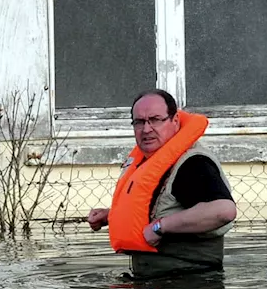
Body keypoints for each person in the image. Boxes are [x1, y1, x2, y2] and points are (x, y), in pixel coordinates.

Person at [87, 89, 238, 278]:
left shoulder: (192, 164)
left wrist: (160, 227)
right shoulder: (151, 160)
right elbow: (165, 206)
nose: (147, 129)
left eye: (155, 120)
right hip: (157, 283)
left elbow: (223, 210)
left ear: (175, 121)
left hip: (191, 287)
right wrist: (111, 216)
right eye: (139, 122)